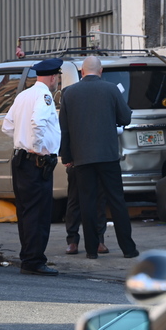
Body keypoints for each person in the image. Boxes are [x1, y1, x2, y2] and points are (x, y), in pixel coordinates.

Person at [59, 56, 139, 259]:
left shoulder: (69, 93)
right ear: (100, 71)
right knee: (116, 201)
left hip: (82, 157)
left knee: (87, 202)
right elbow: (125, 117)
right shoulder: (111, 89)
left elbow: (65, 129)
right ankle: (128, 249)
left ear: (82, 72)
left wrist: (66, 155)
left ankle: (91, 250)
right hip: (108, 156)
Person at [1, 58, 62, 276]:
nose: (57, 82)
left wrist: (22, 140)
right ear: (53, 77)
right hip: (36, 162)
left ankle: (28, 257)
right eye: (58, 78)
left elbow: (7, 126)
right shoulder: (44, 95)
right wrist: (36, 148)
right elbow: (38, 122)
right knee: (38, 214)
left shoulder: (23, 95)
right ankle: (34, 261)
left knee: (26, 212)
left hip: (20, 160)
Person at [64, 167, 108, 255]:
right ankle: (72, 240)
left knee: (99, 202)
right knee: (74, 200)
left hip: (99, 160)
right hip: (76, 161)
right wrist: (66, 157)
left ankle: (99, 239)